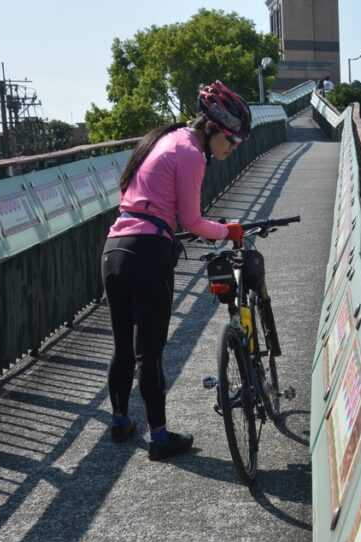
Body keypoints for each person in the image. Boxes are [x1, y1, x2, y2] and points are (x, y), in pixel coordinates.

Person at [102, 81, 250, 460]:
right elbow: (193, 221)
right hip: (149, 252)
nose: (231, 150)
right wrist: (227, 230)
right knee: (149, 352)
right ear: (213, 128)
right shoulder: (191, 153)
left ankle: (120, 422)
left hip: (115, 248)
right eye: (231, 141)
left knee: (122, 345)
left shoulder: (164, 140)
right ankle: (159, 438)